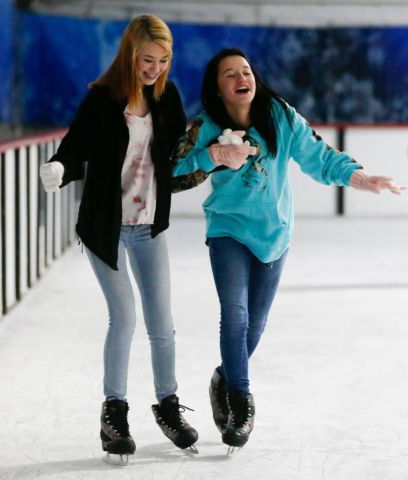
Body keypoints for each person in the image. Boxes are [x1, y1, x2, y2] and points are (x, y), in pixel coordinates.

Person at [170, 48, 405, 452]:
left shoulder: (278, 115)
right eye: (230, 74)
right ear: (218, 89)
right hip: (228, 232)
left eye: (246, 70)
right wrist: (213, 155)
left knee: (255, 327)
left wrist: (360, 178)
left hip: (274, 236)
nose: (242, 77)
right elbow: (172, 172)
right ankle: (242, 405)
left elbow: (317, 156)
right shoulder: (205, 127)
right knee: (236, 316)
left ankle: (223, 378)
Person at [39, 15, 198, 462]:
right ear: (130, 54)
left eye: (164, 60)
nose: (156, 68)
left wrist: (215, 155)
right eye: (148, 59)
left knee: (162, 325)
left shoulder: (168, 100)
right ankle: (114, 415)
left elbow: (180, 158)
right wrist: (61, 169)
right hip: (105, 229)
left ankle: (168, 406)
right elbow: (75, 148)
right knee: (124, 317)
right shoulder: (102, 101)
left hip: (149, 226)